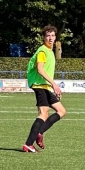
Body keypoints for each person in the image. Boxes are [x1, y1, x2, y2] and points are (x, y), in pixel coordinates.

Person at [22, 25, 66, 153]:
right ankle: (28, 144)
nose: (50, 38)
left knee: (61, 111)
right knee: (43, 113)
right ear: (43, 37)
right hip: (39, 85)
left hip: (45, 86)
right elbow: (40, 69)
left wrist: (51, 85)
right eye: (48, 36)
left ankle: (39, 132)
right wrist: (54, 84)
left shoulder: (50, 52)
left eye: (52, 35)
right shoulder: (42, 51)